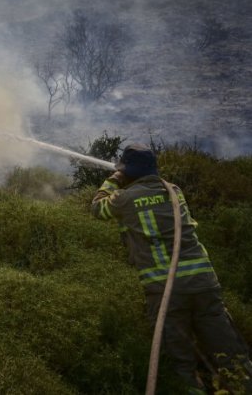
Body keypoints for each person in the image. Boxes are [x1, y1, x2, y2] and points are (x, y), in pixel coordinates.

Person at [91, 143, 252, 394]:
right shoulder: (174, 191)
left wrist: (114, 179)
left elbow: (97, 207)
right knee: (228, 349)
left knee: (180, 361)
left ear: (128, 172)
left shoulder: (124, 199)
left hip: (166, 289)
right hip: (203, 284)